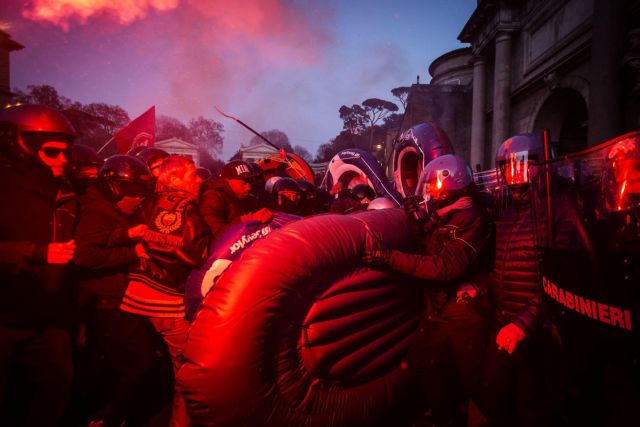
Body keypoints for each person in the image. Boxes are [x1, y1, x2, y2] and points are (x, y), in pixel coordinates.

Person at [362, 154, 492, 427]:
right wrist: (417, 222)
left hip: (465, 312)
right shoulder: (449, 215)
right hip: (440, 307)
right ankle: (446, 417)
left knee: (474, 382)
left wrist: (388, 257)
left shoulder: (471, 218)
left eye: (434, 184)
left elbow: (444, 267)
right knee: (424, 363)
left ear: (451, 182)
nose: (430, 190)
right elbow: (430, 248)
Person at [0, 104, 78, 426]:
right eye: (52, 152)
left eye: (66, 152)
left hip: (47, 313)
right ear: (18, 145)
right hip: (4, 313)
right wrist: (34, 253)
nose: (64, 160)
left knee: (58, 384)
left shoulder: (65, 191)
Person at [73, 155, 165, 426]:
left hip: (119, 297)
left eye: (142, 194)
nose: (139, 200)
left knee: (120, 363)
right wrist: (129, 249)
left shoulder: (114, 210)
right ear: (113, 188)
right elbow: (83, 256)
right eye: (134, 193)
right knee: (138, 361)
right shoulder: (96, 211)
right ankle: (110, 418)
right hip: (106, 301)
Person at [121, 155, 211, 427]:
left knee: (143, 367)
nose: (199, 180)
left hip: (133, 298)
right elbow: (198, 253)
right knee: (186, 373)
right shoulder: (182, 206)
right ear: (173, 179)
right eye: (193, 175)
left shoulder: (147, 201)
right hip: (165, 302)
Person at [474, 133, 552, 427]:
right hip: (505, 320)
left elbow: (564, 284)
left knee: (531, 405)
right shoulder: (508, 214)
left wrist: (525, 323)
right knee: (492, 391)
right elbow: (503, 267)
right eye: (507, 169)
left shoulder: (556, 211)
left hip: (536, 331)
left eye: (519, 166)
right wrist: (480, 287)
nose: (512, 176)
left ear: (538, 167)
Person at [199, 160, 272, 239]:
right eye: (243, 184)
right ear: (228, 181)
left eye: (249, 183)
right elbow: (216, 234)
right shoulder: (212, 197)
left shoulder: (243, 197)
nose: (248, 188)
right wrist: (249, 219)